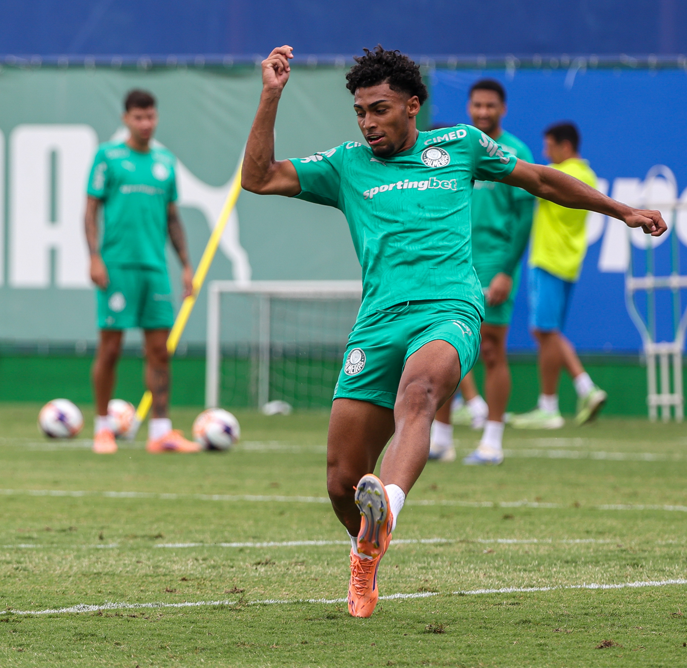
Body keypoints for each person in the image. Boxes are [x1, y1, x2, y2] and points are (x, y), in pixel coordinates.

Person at [239, 44, 663, 618]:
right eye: (360, 112)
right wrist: (271, 95)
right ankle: (366, 549)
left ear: (412, 106)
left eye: (380, 109)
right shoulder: (344, 164)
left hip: (449, 309)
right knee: (341, 480)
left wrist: (622, 210)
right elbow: (258, 177)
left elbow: (540, 179)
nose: (368, 123)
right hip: (377, 323)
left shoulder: (460, 145)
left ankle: (387, 507)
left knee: (419, 393)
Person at [428, 79, 536, 465]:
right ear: (469, 107)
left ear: (502, 109)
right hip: (455, 261)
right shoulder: (458, 146)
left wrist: (507, 270)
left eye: (490, 106)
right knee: (442, 348)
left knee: (490, 350)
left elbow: (525, 217)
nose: (483, 112)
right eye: (477, 105)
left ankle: (492, 441)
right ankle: (440, 439)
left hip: (494, 263)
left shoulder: (515, 152)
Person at [86, 89, 199, 455]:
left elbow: (172, 218)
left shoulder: (165, 161)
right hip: (117, 267)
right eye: (138, 117)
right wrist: (94, 257)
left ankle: (160, 432)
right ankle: (102, 428)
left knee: (159, 351)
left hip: (155, 268)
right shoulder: (108, 157)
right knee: (111, 348)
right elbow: (90, 210)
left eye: (150, 116)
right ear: (126, 119)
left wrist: (185, 265)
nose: (145, 123)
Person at [511, 122, 608, 429]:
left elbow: (527, 181)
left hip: (549, 260)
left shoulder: (561, 175)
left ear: (565, 147)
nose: (545, 153)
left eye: (549, 147)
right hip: (566, 264)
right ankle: (551, 403)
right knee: (545, 332)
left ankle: (580, 390)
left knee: (546, 331)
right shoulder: (587, 175)